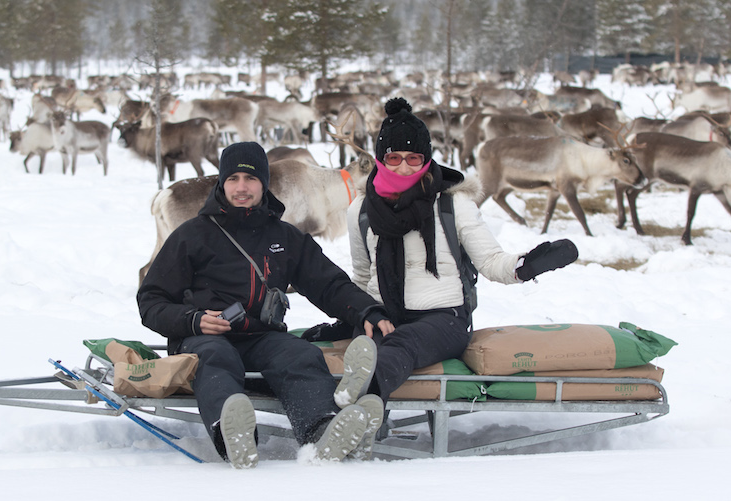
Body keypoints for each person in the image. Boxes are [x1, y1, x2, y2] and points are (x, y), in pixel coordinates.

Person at [137, 141, 387, 468]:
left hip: (262, 337)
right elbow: (151, 300)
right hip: (203, 338)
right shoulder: (192, 235)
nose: (242, 187)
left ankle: (322, 432)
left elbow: (329, 283)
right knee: (216, 358)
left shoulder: (285, 236)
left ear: (264, 183)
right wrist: (193, 320)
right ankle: (233, 435)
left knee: (299, 354)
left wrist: (365, 310)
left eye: (251, 179)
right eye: (233, 179)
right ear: (221, 183)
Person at [344, 97, 578, 402]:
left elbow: (491, 261)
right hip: (385, 313)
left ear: (427, 160)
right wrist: (365, 314)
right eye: (394, 158)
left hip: (444, 319)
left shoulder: (452, 205)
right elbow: (362, 275)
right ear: (380, 160)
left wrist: (525, 266)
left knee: (400, 345)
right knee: (369, 343)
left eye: (413, 158)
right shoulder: (361, 211)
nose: (403, 167)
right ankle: (360, 420)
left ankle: (358, 405)